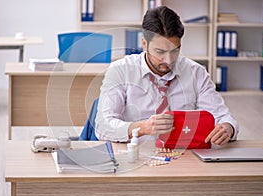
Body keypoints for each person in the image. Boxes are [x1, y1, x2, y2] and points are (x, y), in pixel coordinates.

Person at [95, 6, 238, 146]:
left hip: (184, 157)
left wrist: (227, 128)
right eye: (160, 52)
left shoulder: (196, 72)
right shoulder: (120, 70)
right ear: (144, 44)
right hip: (138, 155)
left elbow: (222, 117)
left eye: (175, 51)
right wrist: (142, 127)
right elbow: (103, 126)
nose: (168, 60)